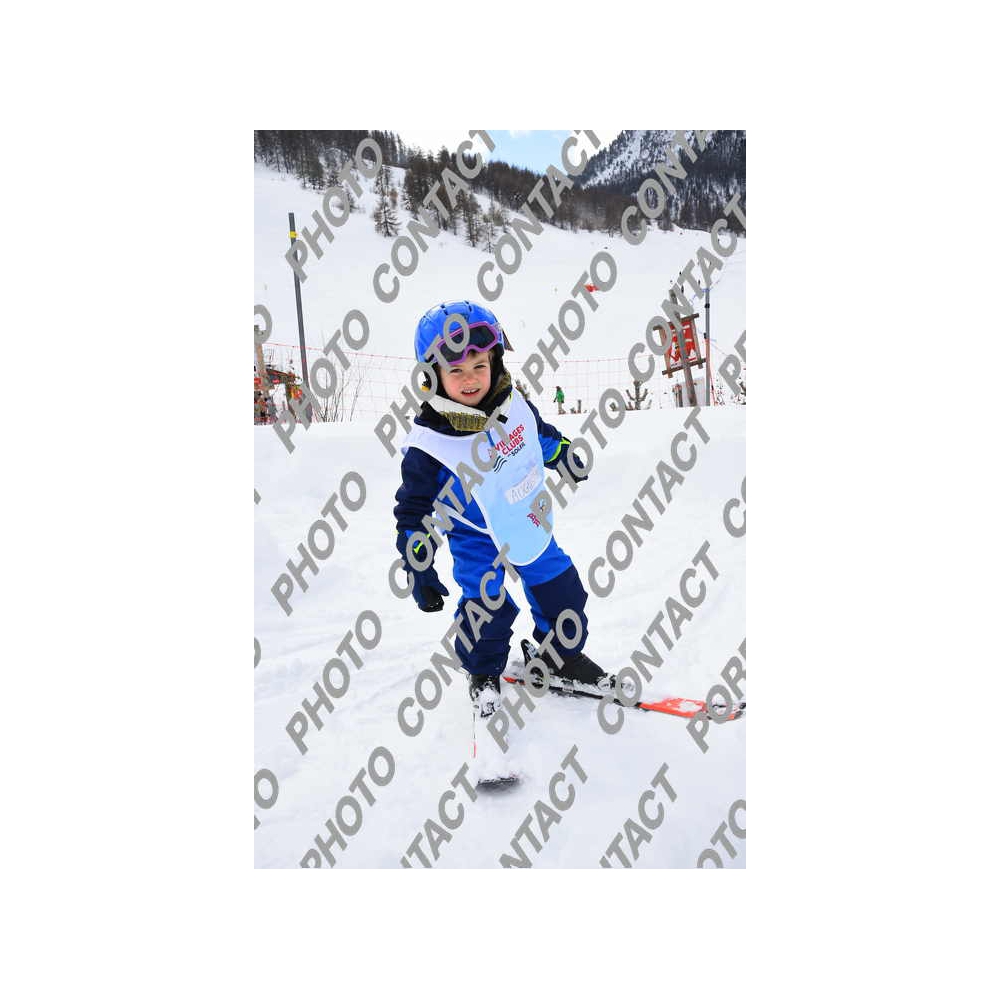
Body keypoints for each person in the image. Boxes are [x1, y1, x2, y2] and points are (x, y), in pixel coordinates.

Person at [393, 301, 614, 777]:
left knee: (564, 594)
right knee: (486, 612)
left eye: (479, 364)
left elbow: (538, 435)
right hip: (474, 537)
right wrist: (418, 562)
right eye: (456, 370)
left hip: (525, 521)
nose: (471, 378)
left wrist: (562, 453)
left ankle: (558, 658)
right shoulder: (429, 446)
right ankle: (483, 674)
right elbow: (413, 510)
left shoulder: (514, 403)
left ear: (494, 360)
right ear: (432, 377)